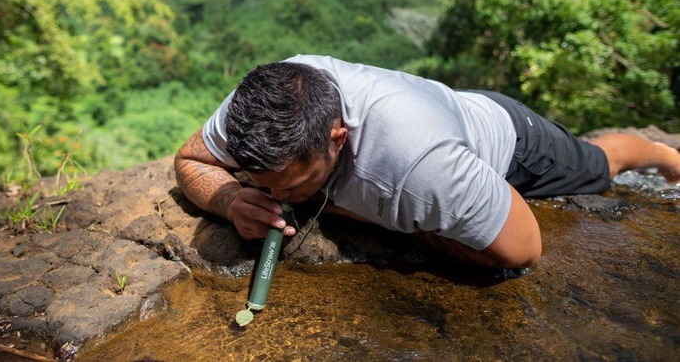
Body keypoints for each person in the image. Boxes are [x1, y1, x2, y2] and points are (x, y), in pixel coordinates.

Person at [174, 55, 680, 269]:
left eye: (293, 185)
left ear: (337, 138)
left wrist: (403, 225)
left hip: (510, 139)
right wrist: (229, 199)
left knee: (599, 164)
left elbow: (524, 249)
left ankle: (662, 153)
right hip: (441, 111)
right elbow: (189, 159)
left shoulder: (418, 171)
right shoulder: (260, 105)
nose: (276, 199)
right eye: (266, 185)